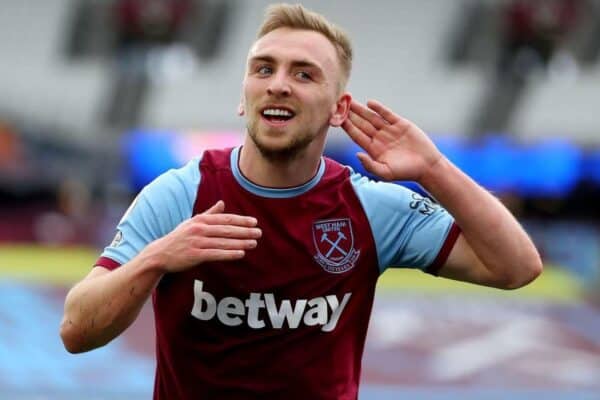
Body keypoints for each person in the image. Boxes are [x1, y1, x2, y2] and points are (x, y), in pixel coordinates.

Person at [60, 3, 543, 399]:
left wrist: (434, 170)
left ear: (339, 109)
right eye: (263, 69)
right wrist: (157, 259)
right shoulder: (182, 194)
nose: (279, 83)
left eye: (304, 74)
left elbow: (515, 268)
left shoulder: (369, 208)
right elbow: (76, 330)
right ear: (244, 97)